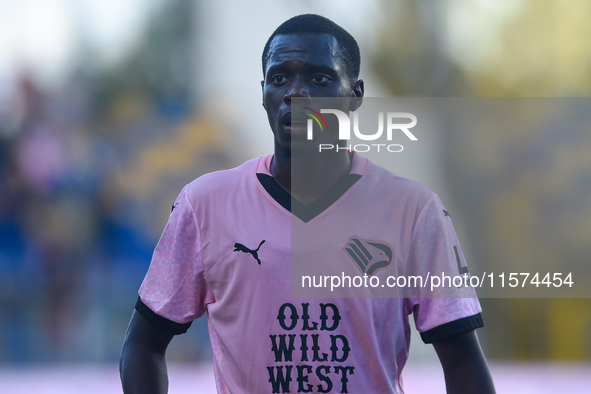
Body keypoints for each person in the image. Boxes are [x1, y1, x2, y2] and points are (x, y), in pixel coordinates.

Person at [120, 14, 496, 394]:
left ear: (355, 95)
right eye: (280, 78)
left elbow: (463, 361)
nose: (296, 92)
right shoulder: (203, 205)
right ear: (264, 91)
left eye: (319, 79)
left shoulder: (413, 211)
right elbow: (143, 346)